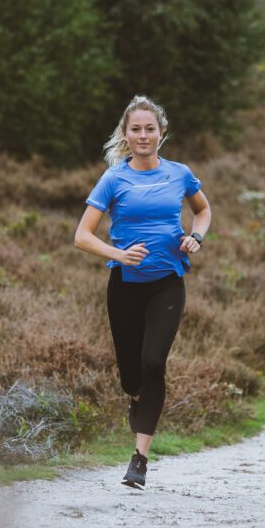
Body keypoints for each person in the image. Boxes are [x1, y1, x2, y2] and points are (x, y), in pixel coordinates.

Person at [73, 95, 212, 490]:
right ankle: (135, 396)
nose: (143, 135)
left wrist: (196, 237)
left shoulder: (180, 174)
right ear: (125, 134)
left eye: (150, 128)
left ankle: (139, 458)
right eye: (135, 129)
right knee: (132, 377)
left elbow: (202, 210)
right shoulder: (114, 179)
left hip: (167, 282)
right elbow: (82, 236)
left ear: (161, 132)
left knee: (154, 364)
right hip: (124, 287)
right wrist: (119, 253)